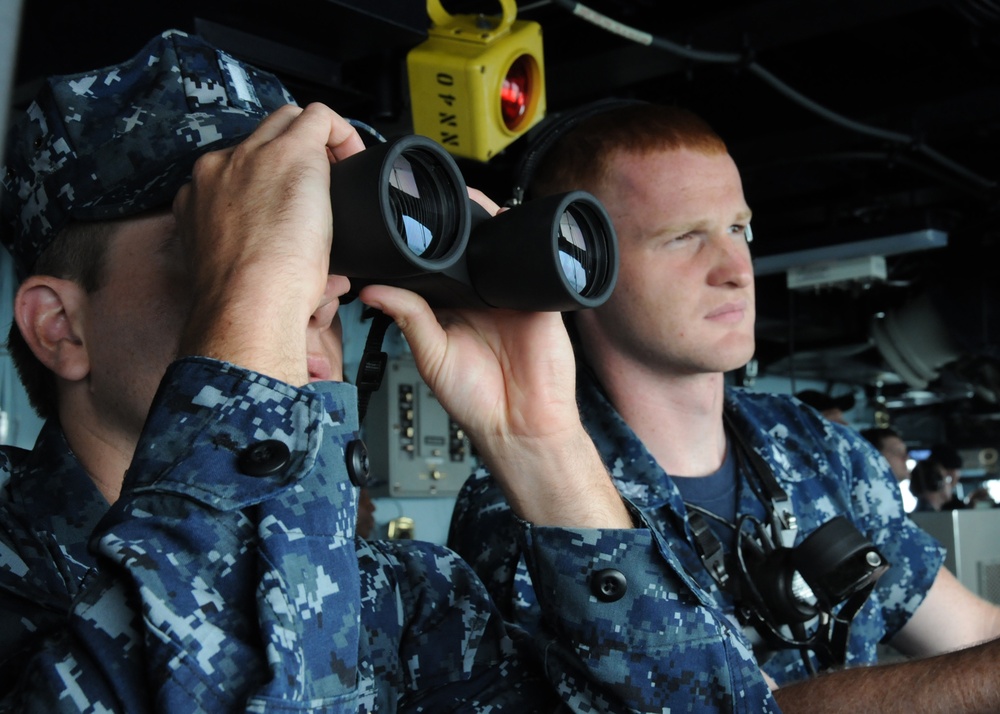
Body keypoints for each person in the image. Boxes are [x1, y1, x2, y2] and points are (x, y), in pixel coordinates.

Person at [0, 31, 780, 712]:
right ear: (59, 327)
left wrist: (543, 444)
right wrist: (252, 306)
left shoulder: (403, 599)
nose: (312, 292)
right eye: (220, 242)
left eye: (318, 241)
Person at [448, 101, 1000, 712]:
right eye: (683, 237)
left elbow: (972, 630)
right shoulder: (530, 502)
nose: (736, 270)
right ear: (577, 266)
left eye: (739, 230)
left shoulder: (818, 447)